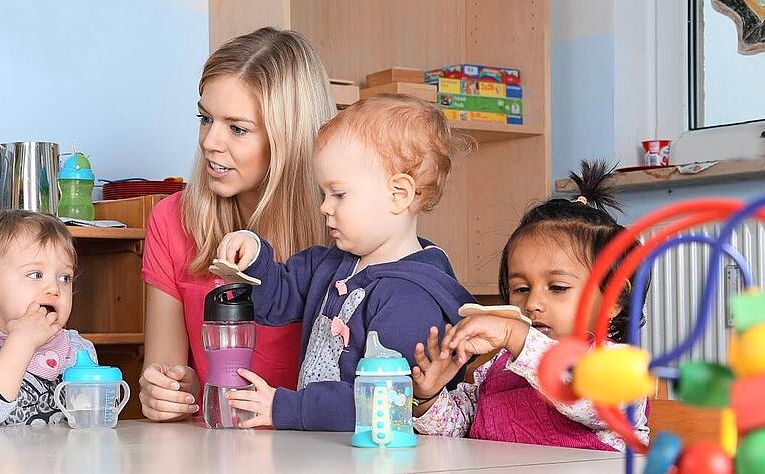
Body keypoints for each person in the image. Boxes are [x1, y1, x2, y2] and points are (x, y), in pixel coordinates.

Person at [217, 94, 475, 431]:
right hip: (325, 448)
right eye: (324, 194)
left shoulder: (410, 297)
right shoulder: (328, 264)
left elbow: (382, 403)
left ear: (398, 194)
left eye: (339, 194)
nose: (325, 207)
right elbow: (276, 301)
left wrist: (286, 407)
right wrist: (253, 255)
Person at [139, 27, 336, 421]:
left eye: (237, 128)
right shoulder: (171, 221)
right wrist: (168, 392)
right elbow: (167, 375)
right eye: (205, 118)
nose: (210, 141)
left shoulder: (341, 228)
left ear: (289, 137)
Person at [411, 161, 650, 451]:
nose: (533, 303)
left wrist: (518, 337)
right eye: (521, 289)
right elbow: (460, 429)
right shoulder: (501, 366)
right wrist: (429, 397)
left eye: (558, 288)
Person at [0, 210, 97, 427]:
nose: (54, 288)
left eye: (64, 277)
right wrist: (21, 342)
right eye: (35, 274)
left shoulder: (79, 349)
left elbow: (91, 424)